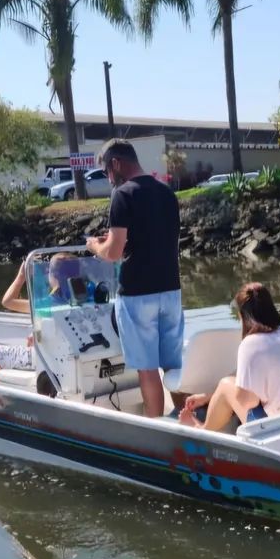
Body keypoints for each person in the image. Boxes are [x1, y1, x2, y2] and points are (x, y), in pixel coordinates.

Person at [85, 138, 182, 418]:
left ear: (116, 164)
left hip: (138, 294)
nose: (107, 178)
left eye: (106, 171)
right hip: (171, 289)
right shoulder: (166, 193)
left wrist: (95, 246)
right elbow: (153, 238)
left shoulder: (123, 195)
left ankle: (155, 429)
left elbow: (113, 253)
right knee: (173, 366)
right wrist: (116, 241)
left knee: (148, 368)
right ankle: (186, 421)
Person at [179, 282, 280, 432]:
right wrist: (209, 396)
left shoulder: (251, 344)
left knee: (225, 385)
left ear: (242, 316)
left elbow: (246, 402)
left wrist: (223, 395)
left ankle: (202, 429)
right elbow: (243, 375)